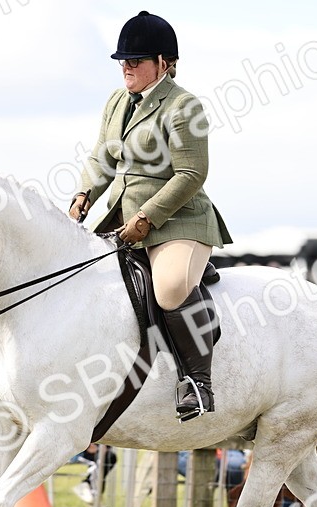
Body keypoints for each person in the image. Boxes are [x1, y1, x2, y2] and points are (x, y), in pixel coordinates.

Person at [70, 10, 232, 421]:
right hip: (124, 221)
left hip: (179, 221)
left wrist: (147, 216)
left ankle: (198, 383)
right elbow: (102, 157)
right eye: (123, 60)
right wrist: (84, 193)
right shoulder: (117, 101)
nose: (126, 67)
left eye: (136, 60)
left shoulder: (183, 106)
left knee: (171, 288)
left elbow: (192, 173)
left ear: (163, 62)